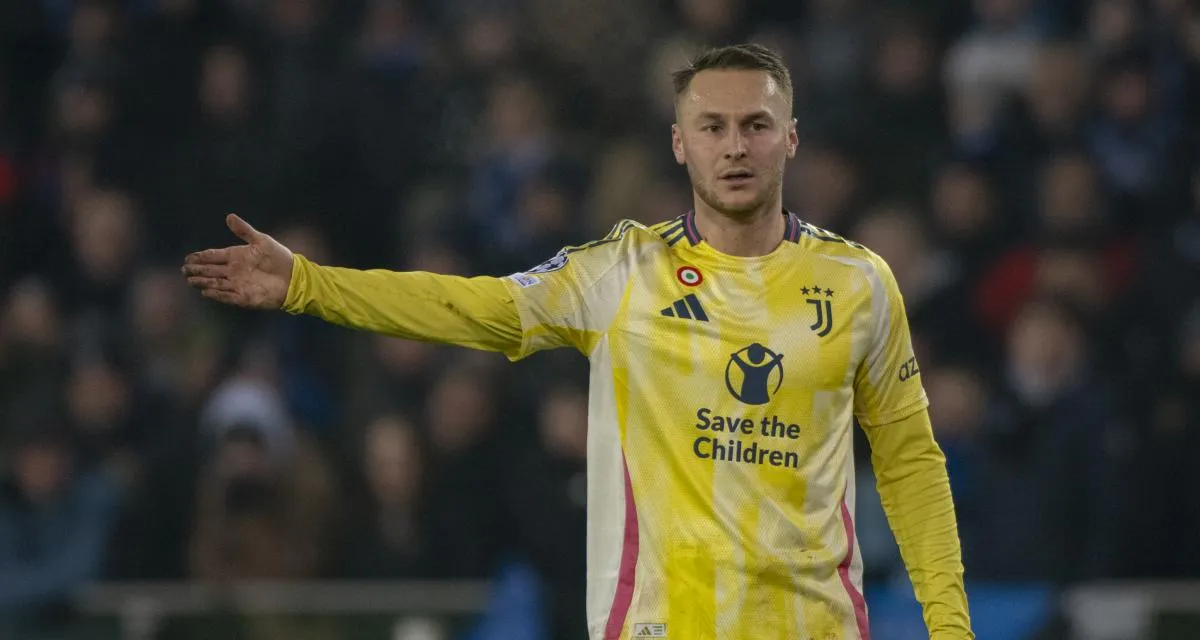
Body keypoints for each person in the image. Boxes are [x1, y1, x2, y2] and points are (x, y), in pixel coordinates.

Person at [182, 43, 973, 640]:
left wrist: (951, 626)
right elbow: (471, 307)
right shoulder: (621, 272)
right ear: (679, 143)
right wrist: (308, 283)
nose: (735, 145)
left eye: (756, 125)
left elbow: (909, 462)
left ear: (791, 140)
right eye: (714, 126)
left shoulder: (858, 283)